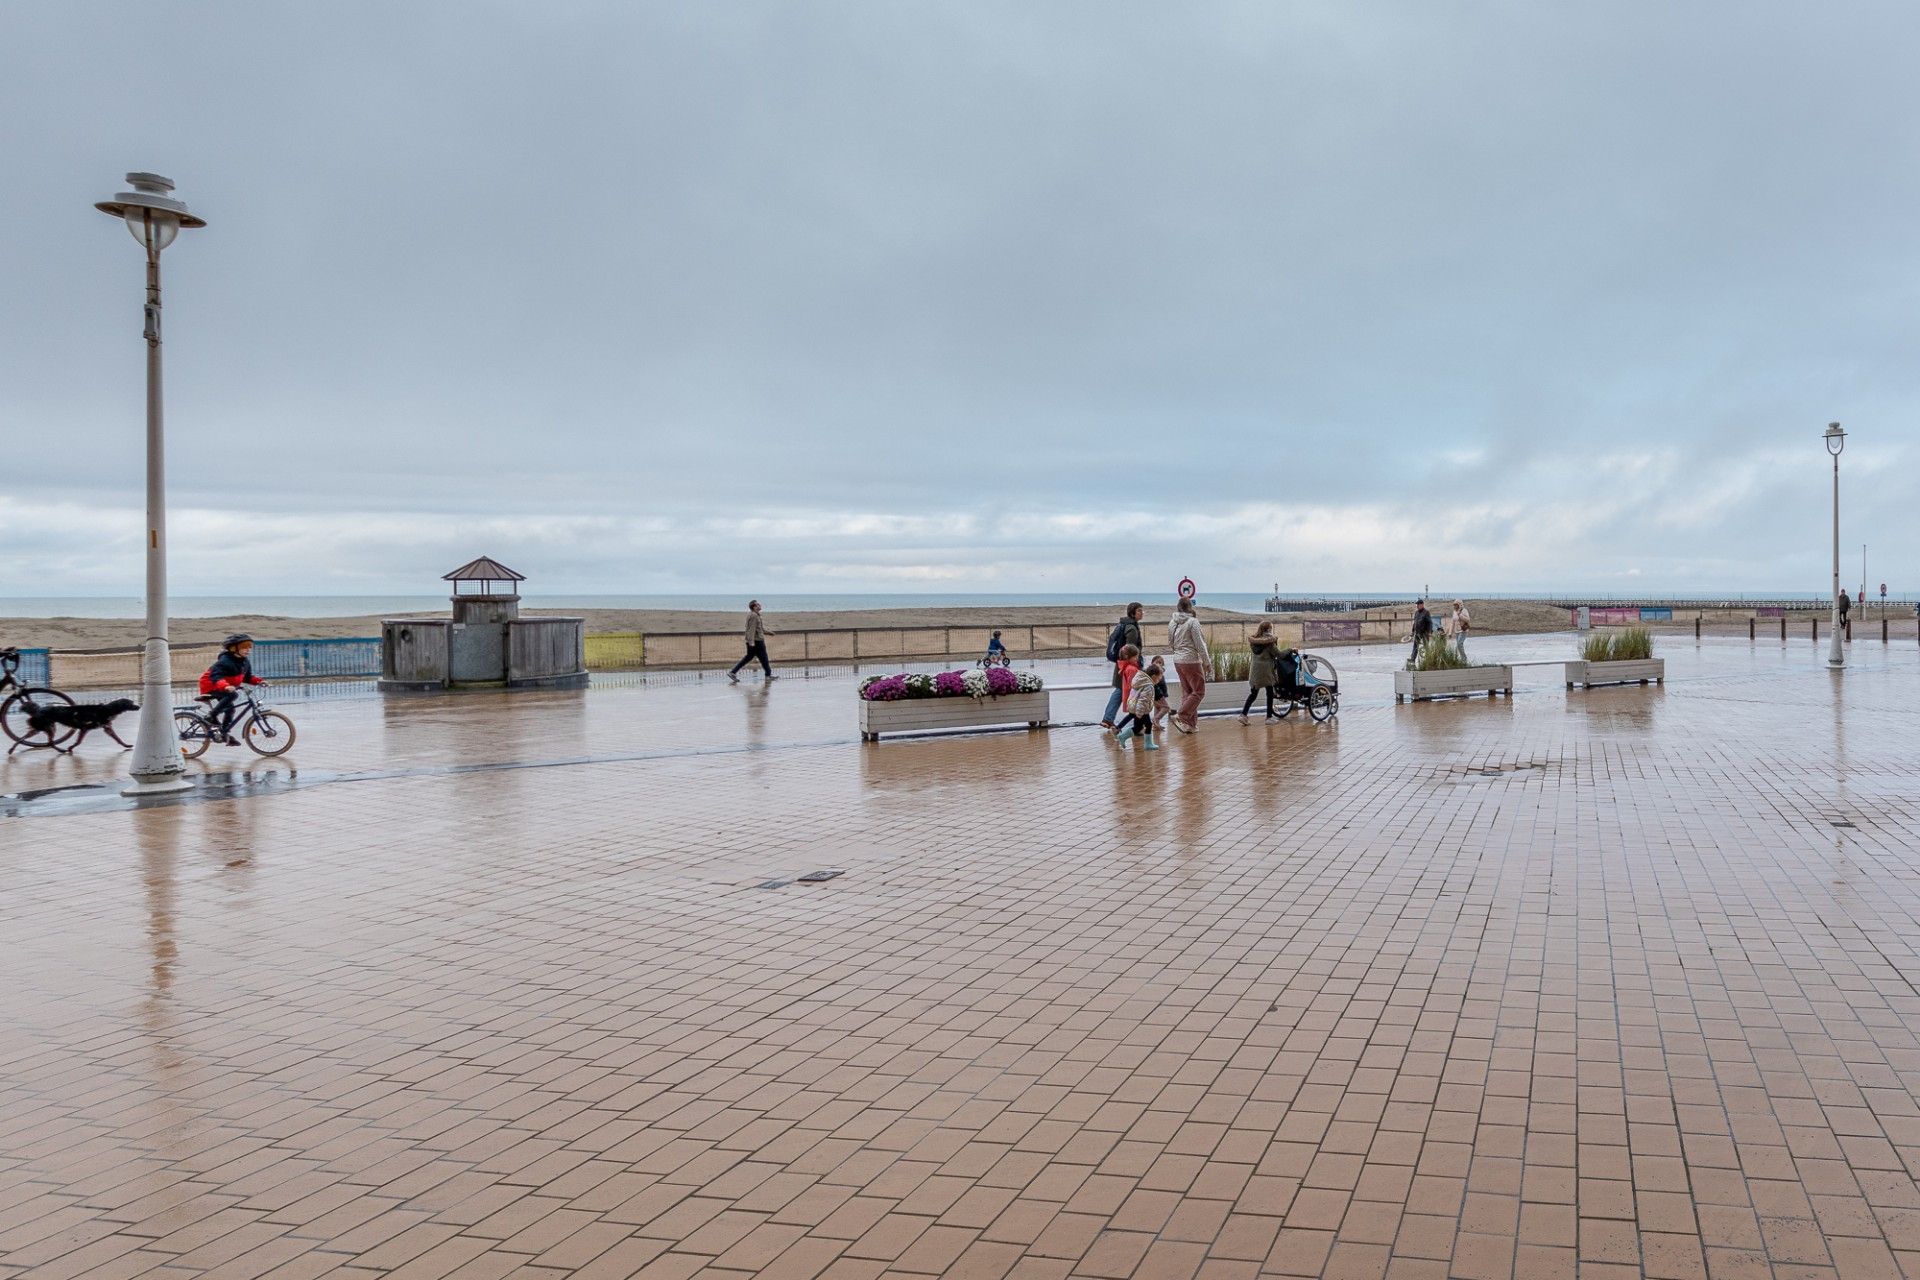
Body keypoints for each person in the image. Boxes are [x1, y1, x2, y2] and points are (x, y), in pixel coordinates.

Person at [199, 633, 266, 745]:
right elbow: (215, 676)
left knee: (231, 709)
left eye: (249, 647)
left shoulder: (245, 662)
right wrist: (225, 686)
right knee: (233, 695)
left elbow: (247, 677)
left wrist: (259, 681)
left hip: (225, 686)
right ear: (233, 648)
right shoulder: (225, 661)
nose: (248, 650)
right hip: (210, 685)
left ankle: (224, 733)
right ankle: (210, 716)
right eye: (244, 647)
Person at [1168, 598, 1210, 733]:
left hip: (1177, 659)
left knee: (1188, 692)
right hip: (1191, 660)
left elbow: (1171, 642)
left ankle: (1190, 725)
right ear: (1190, 607)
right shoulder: (1193, 622)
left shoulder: (1172, 622)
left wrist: (1178, 652)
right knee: (1199, 691)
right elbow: (1200, 644)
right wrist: (1207, 662)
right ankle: (1182, 716)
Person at [1102, 603, 1144, 728]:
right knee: (1126, 690)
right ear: (1132, 613)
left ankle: (1108, 718)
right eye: (1139, 611)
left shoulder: (1124, 624)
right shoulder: (1131, 628)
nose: (1142, 613)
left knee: (1120, 690)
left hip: (1122, 664)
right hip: (1128, 666)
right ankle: (1138, 722)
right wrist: (1135, 663)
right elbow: (1130, 649)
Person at [1113, 653, 1161, 750]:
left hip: (1137, 707)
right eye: (1159, 677)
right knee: (1144, 726)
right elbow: (1143, 700)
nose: (1159, 680)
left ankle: (1146, 743)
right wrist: (1139, 713)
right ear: (1154, 676)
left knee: (1143, 726)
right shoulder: (1148, 685)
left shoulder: (1142, 681)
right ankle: (1147, 744)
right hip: (1141, 710)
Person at [1240, 621, 1282, 722]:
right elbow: (1278, 654)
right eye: (1271, 628)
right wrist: (1291, 650)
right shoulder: (1269, 643)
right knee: (1269, 693)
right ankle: (1269, 717)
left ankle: (1243, 715)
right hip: (1266, 672)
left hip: (1255, 672)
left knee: (1253, 694)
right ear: (1268, 629)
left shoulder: (1254, 642)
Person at [728, 601, 775, 683]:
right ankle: (768, 675)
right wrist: (751, 642)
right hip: (757, 642)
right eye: (758, 604)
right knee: (764, 658)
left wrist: (769, 632)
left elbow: (759, 629)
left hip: (756, 641)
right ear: (754, 607)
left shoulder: (755, 615)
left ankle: (733, 672)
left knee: (750, 657)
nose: (760, 605)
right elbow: (751, 630)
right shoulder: (753, 616)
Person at [1409, 599, 1434, 664]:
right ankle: (1412, 660)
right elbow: (1415, 623)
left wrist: (1430, 632)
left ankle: (1429, 659)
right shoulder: (1416, 612)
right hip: (1417, 632)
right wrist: (1412, 631)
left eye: (1418, 604)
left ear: (1422, 605)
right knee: (1415, 647)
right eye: (1416, 605)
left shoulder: (1426, 612)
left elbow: (1430, 623)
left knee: (1426, 647)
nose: (1417, 606)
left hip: (1424, 633)